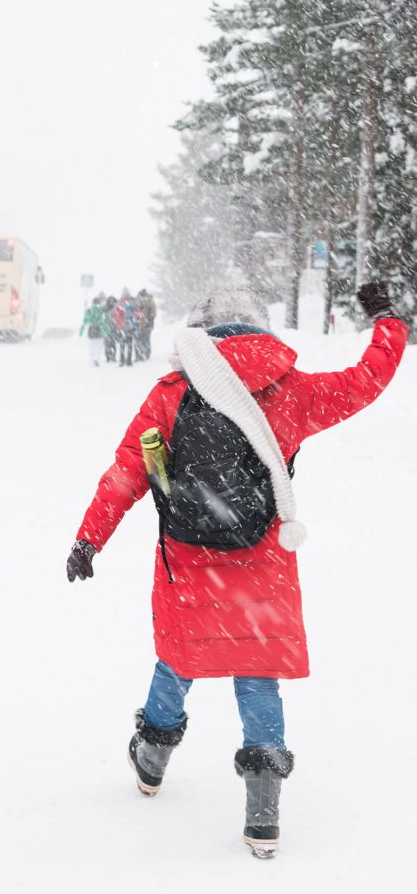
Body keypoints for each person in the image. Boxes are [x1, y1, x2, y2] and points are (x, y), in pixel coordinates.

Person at [66, 282, 407, 857]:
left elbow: (128, 470)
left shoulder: (172, 392)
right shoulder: (289, 390)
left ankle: (151, 758)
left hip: (189, 563)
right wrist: (387, 321)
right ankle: (263, 812)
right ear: (259, 328)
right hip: (262, 569)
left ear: (198, 331)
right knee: (256, 673)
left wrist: (89, 537)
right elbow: (365, 382)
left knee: (180, 656)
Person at [79, 296, 109, 367]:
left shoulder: (89, 310)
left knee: (92, 345)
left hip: (91, 329)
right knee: (99, 345)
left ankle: (93, 358)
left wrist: (81, 330)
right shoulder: (101, 310)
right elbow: (104, 321)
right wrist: (106, 330)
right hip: (98, 329)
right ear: (98, 303)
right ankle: (97, 358)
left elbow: (85, 320)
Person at [135, 289, 157, 361]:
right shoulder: (138, 302)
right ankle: (139, 355)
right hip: (139, 324)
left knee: (145, 339)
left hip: (148, 325)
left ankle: (146, 354)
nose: (142, 298)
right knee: (138, 339)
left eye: (142, 297)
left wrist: (147, 320)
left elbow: (153, 314)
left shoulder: (150, 303)